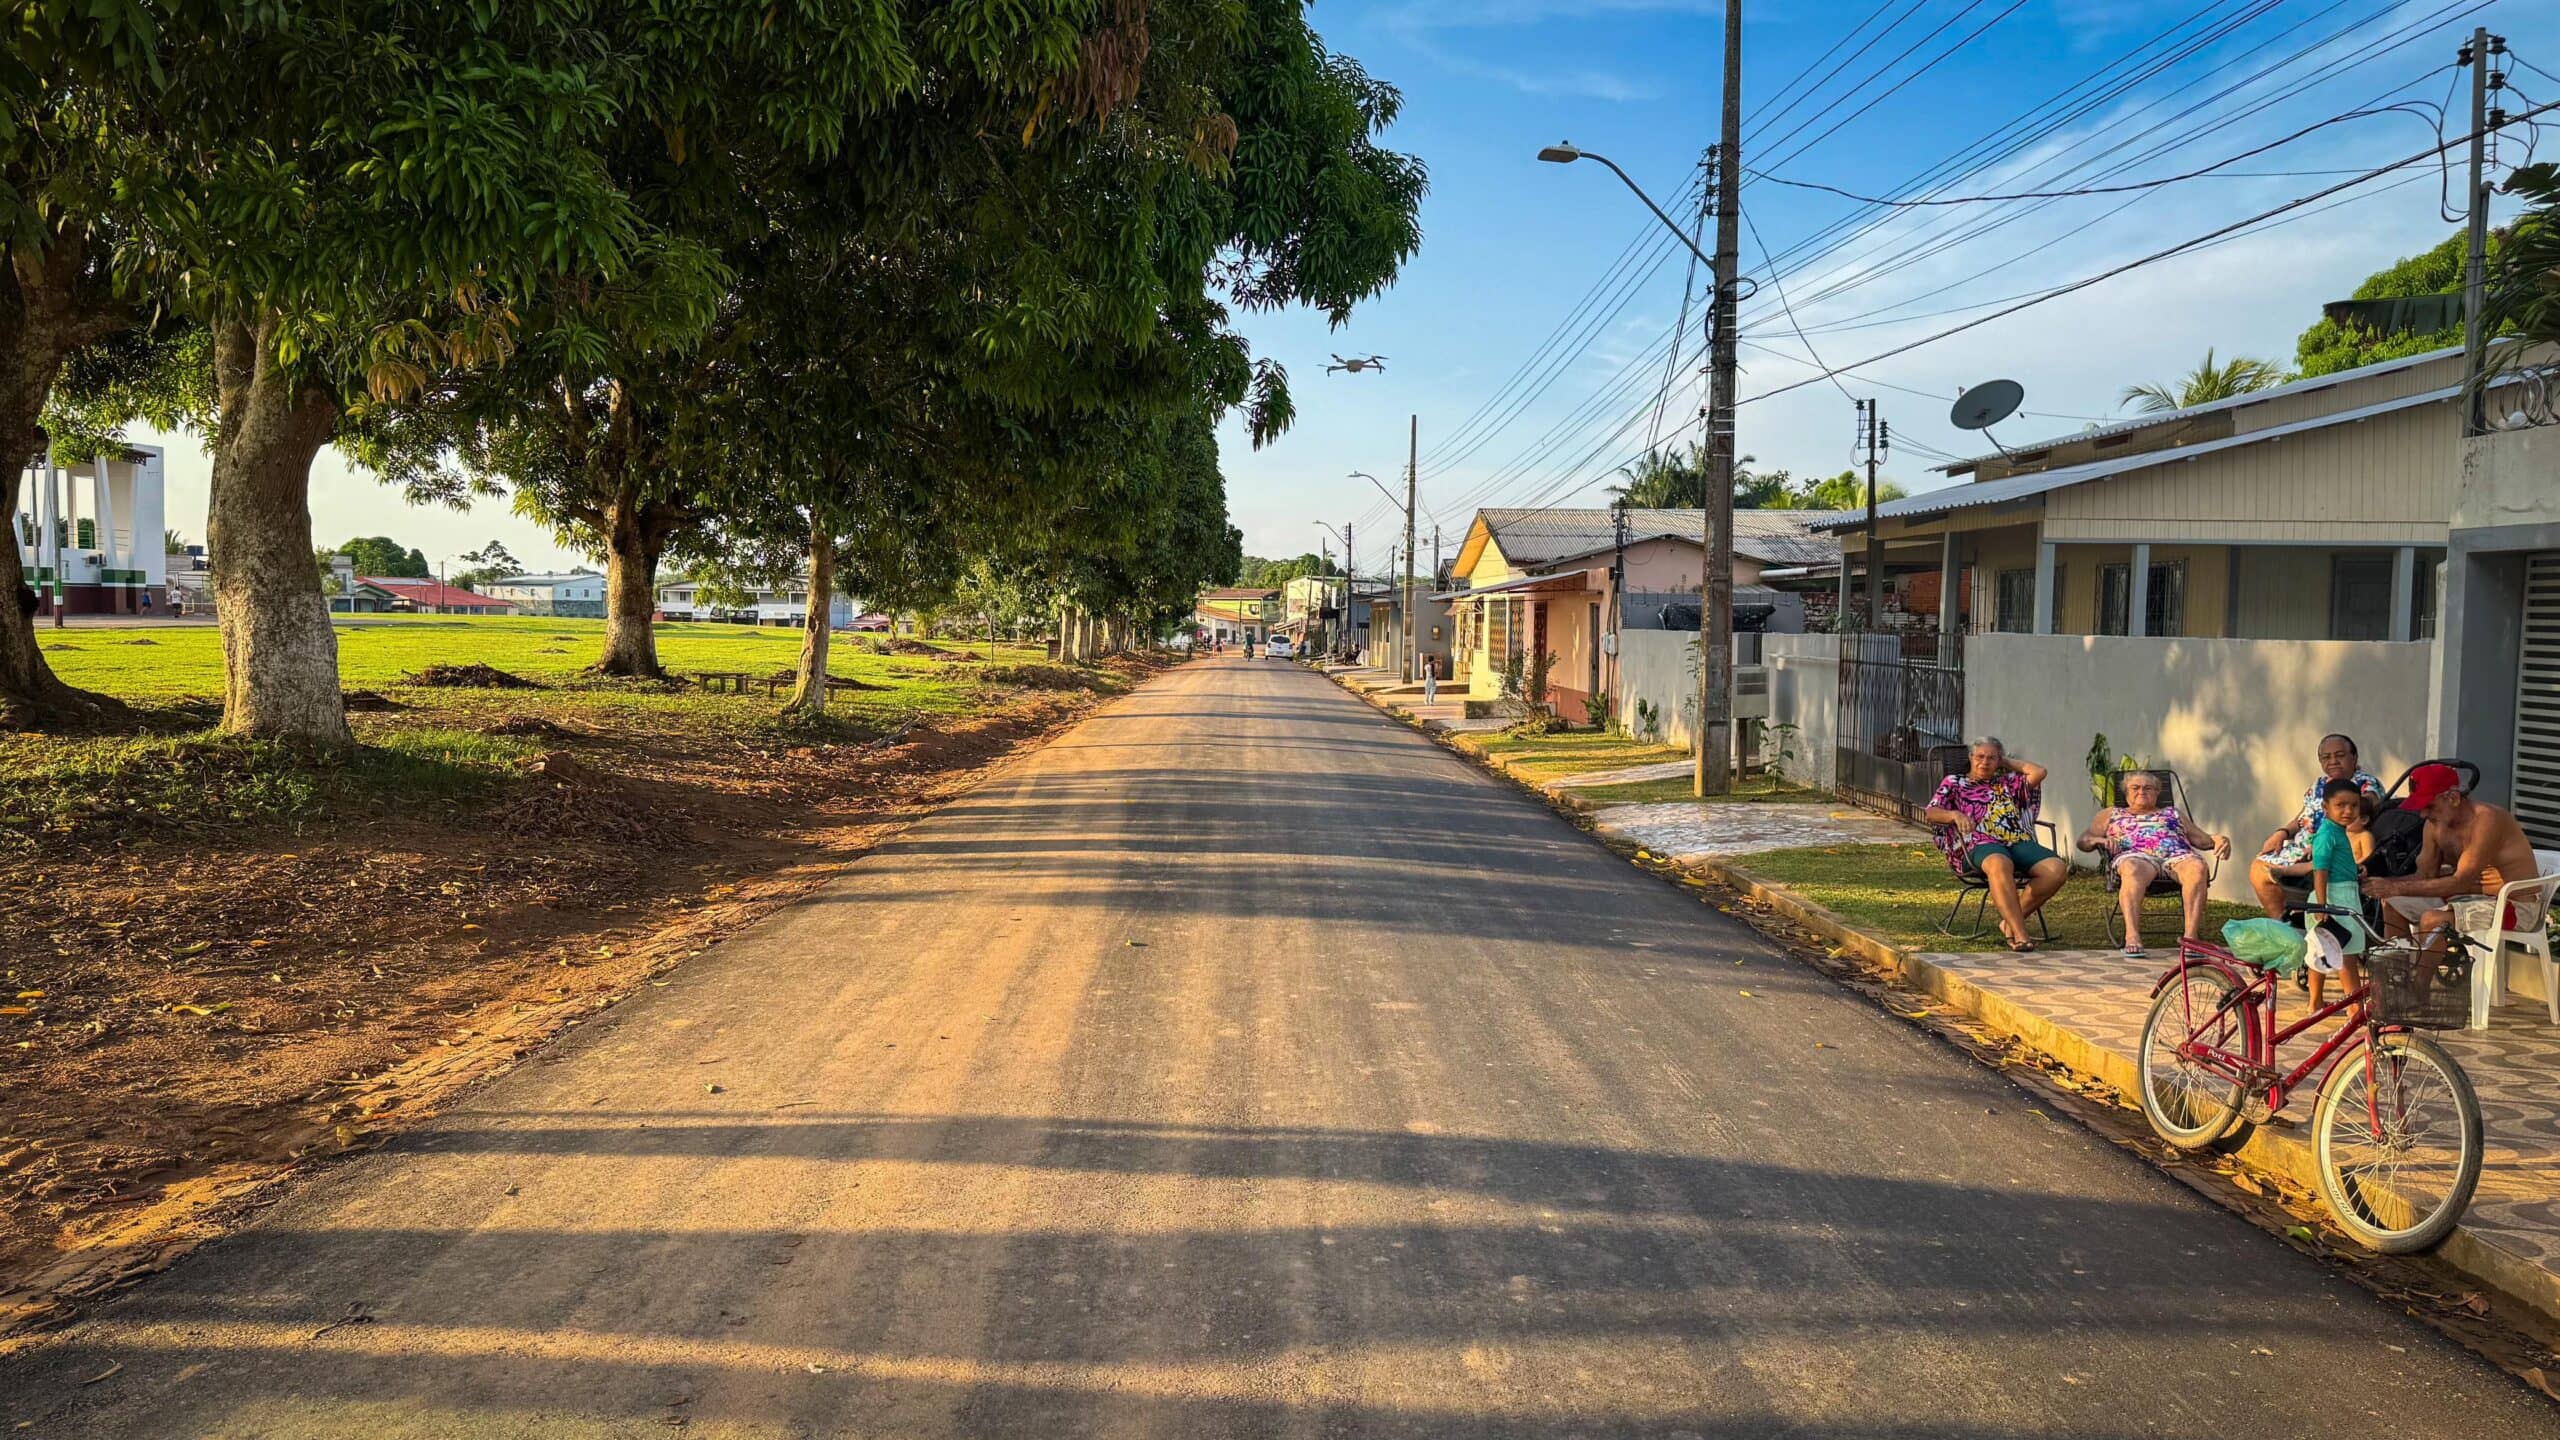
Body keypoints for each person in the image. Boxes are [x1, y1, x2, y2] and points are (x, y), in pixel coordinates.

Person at [2365, 762, 2545, 958]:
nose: (2424, 814)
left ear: (2453, 798)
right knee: (2392, 902)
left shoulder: (2486, 819)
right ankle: (2399, 973)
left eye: (2429, 806)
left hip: (2517, 907)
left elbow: (2461, 882)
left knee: (2433, 920)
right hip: (2465, 899)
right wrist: (2377, 884)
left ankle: (2418, 986)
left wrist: (2395, 887)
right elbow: (2425, 875)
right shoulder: (2434, 824)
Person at [1922, 737, 2066, 953]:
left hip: (2016, 839)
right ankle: (2019, 933)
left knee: (2056, 870)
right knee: (1999, 863)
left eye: (1991, 758)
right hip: (1977, 843)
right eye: (1979, 756)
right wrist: (1954, 814)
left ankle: (2008, 922)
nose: (1984, 762)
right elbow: (1931, 812)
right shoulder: (1954, 782)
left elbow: (2039, 772)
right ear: (1970, 758)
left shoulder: (2008, 782)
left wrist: (2004, 761)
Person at [2077, 770, 2229, 959]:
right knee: (2132, 868)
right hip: (2136, 857)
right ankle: (2132, 936)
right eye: (2135, 787)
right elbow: (2083, 840)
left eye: (2148, 788)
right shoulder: (2111, 813)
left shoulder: (2172, 813)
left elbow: (2202, 840)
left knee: (2197, 867)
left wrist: (2220, 840)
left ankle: (2191, 938)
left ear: (2158, 793)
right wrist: (2099, 841)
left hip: (2177, 856)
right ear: (2126, 792)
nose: (2142, 791)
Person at [2249, 733, 2383, 916]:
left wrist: (2320, 842)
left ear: (2354, 758)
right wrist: (2281, 832)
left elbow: (2362, 812)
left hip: (2333, 847)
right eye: (2326, 757)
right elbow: (2302, 818)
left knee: (2272, 868)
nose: (2333, 761)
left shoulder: (2365, 785)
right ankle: (2282, 923)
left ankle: (2296, 910)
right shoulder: (2319, 784)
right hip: (2304, 847)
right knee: (2259, 866)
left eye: (2340, 755)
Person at [2303, 779, 2375, 1014]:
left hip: (2337, 895)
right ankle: (2355, 1008)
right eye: (2340, 805)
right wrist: (2323, 906)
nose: (2348, 811)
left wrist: (2356, 869)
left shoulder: (2337, 831)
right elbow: (2320, 870)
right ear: (2325, 807)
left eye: (2353, 806)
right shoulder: (2327, 835)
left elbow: (2335, 865)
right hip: (2335, 900)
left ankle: (2315, 1002)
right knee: (2347, 955)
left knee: (2322, 952)